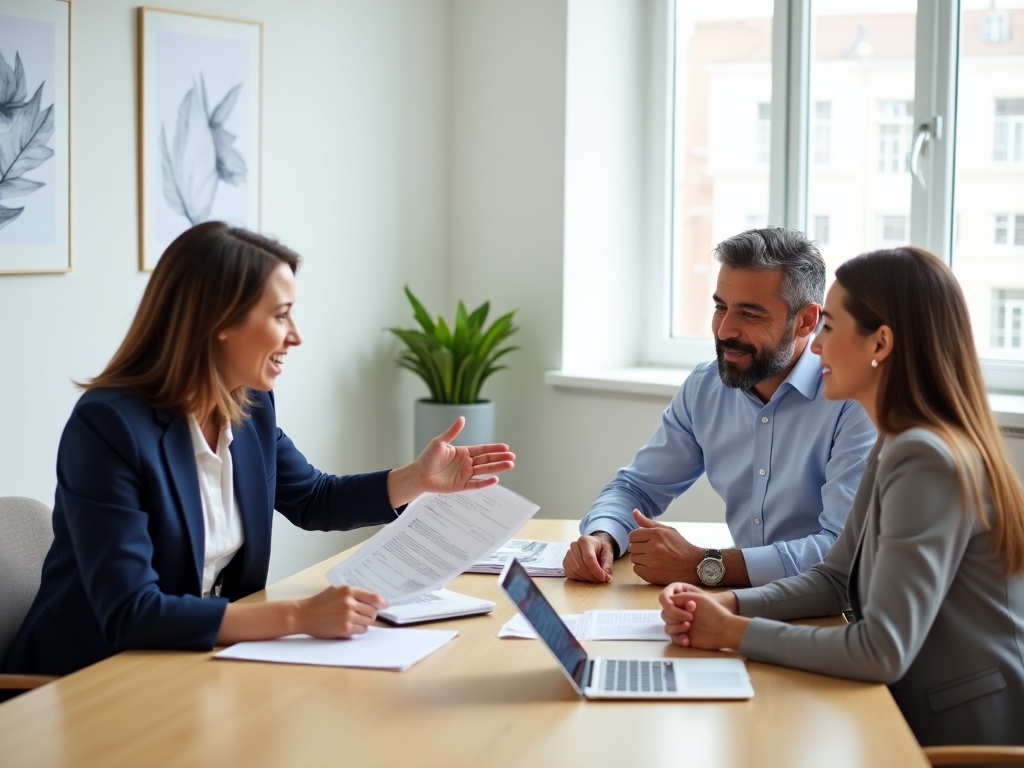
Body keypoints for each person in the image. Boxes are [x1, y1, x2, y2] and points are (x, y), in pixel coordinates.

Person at [2, 222, 515, 679]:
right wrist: (297, 617)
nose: (297, 336)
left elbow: (313, 498)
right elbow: (131, 612)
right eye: (281, 315)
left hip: (192, 663)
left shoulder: (250, 404)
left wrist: (416, 478)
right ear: (219, 321)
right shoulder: (109, 425)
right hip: (88, 681)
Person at [659, 247, 1024, 747]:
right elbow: (835, 579)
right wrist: (726, 602)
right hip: (908, 714)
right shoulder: (898, 441)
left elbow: (881, 650)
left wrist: (732, 633)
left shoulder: (924, 457)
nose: (815, 348)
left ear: (881, 342)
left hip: (962, 738)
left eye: (827, 327)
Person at [564, 228, 876, 589]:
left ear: (806, 320)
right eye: (720, 307)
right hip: (740, 602)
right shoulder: (705, 387)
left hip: (832, 612)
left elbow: (840, 548)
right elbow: (636, 488)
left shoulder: (854, 398)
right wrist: (603, 536)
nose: (725, 329)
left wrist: (704, 564)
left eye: (750, 314)